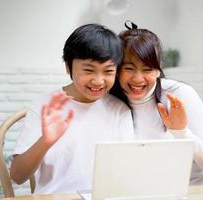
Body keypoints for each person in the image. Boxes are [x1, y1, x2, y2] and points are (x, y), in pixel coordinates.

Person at [10, 24, 134, 194]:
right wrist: (45, 141)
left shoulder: (119, 111)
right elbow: (17, 176)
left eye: (108, 71)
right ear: (68, 67)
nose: (98, 81)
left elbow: (126, 171)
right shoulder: (44, 106)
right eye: (89, 70)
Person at [110, 22, 203, 185]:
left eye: (147, 69)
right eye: (129, 68)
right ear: (117, 68)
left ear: (159, 69)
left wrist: (181, 133)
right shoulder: (110, 102)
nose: (137, 79)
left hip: (194, 190)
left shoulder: (179, 94)